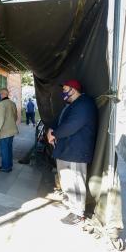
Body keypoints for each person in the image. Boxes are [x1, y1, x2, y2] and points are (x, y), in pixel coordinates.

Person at [47, 79, 97, 225]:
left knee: (75, 181)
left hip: (75, 151)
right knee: (68, 179)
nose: (63, 92)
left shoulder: (84, 104)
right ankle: (72, 205)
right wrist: (51, 129)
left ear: (73, 90)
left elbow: (72, 125)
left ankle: (78, 213)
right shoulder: (73, 105)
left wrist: (54, 134)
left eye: (65, 89)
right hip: (67, 149)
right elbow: (59, 121)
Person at [0, 88, 19, 172]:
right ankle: (9, 165)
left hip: (4, 131)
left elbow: (0, 120)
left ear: (2, 94)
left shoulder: (1, 104)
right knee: (9, 149)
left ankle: (5, 167)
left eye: (0, 94)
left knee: (4, 150)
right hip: (12, 130)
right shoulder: (12, 103)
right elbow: (15, 117)